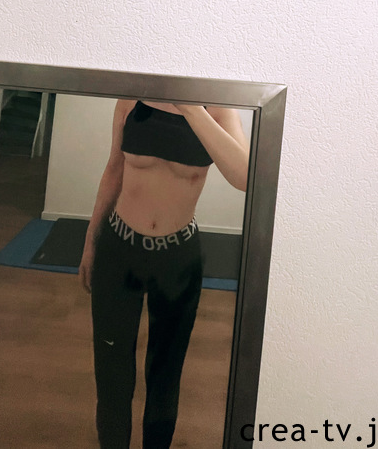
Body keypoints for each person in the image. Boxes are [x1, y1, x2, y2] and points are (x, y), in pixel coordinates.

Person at [79, 99, 250, 448]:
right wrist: (91, 240)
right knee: (112, 375)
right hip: (119, 250)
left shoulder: (217, 110)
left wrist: (192, 109)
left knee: (165, 375)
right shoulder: (131, 100)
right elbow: (114, 170)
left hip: (178, 259)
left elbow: (245, 177)